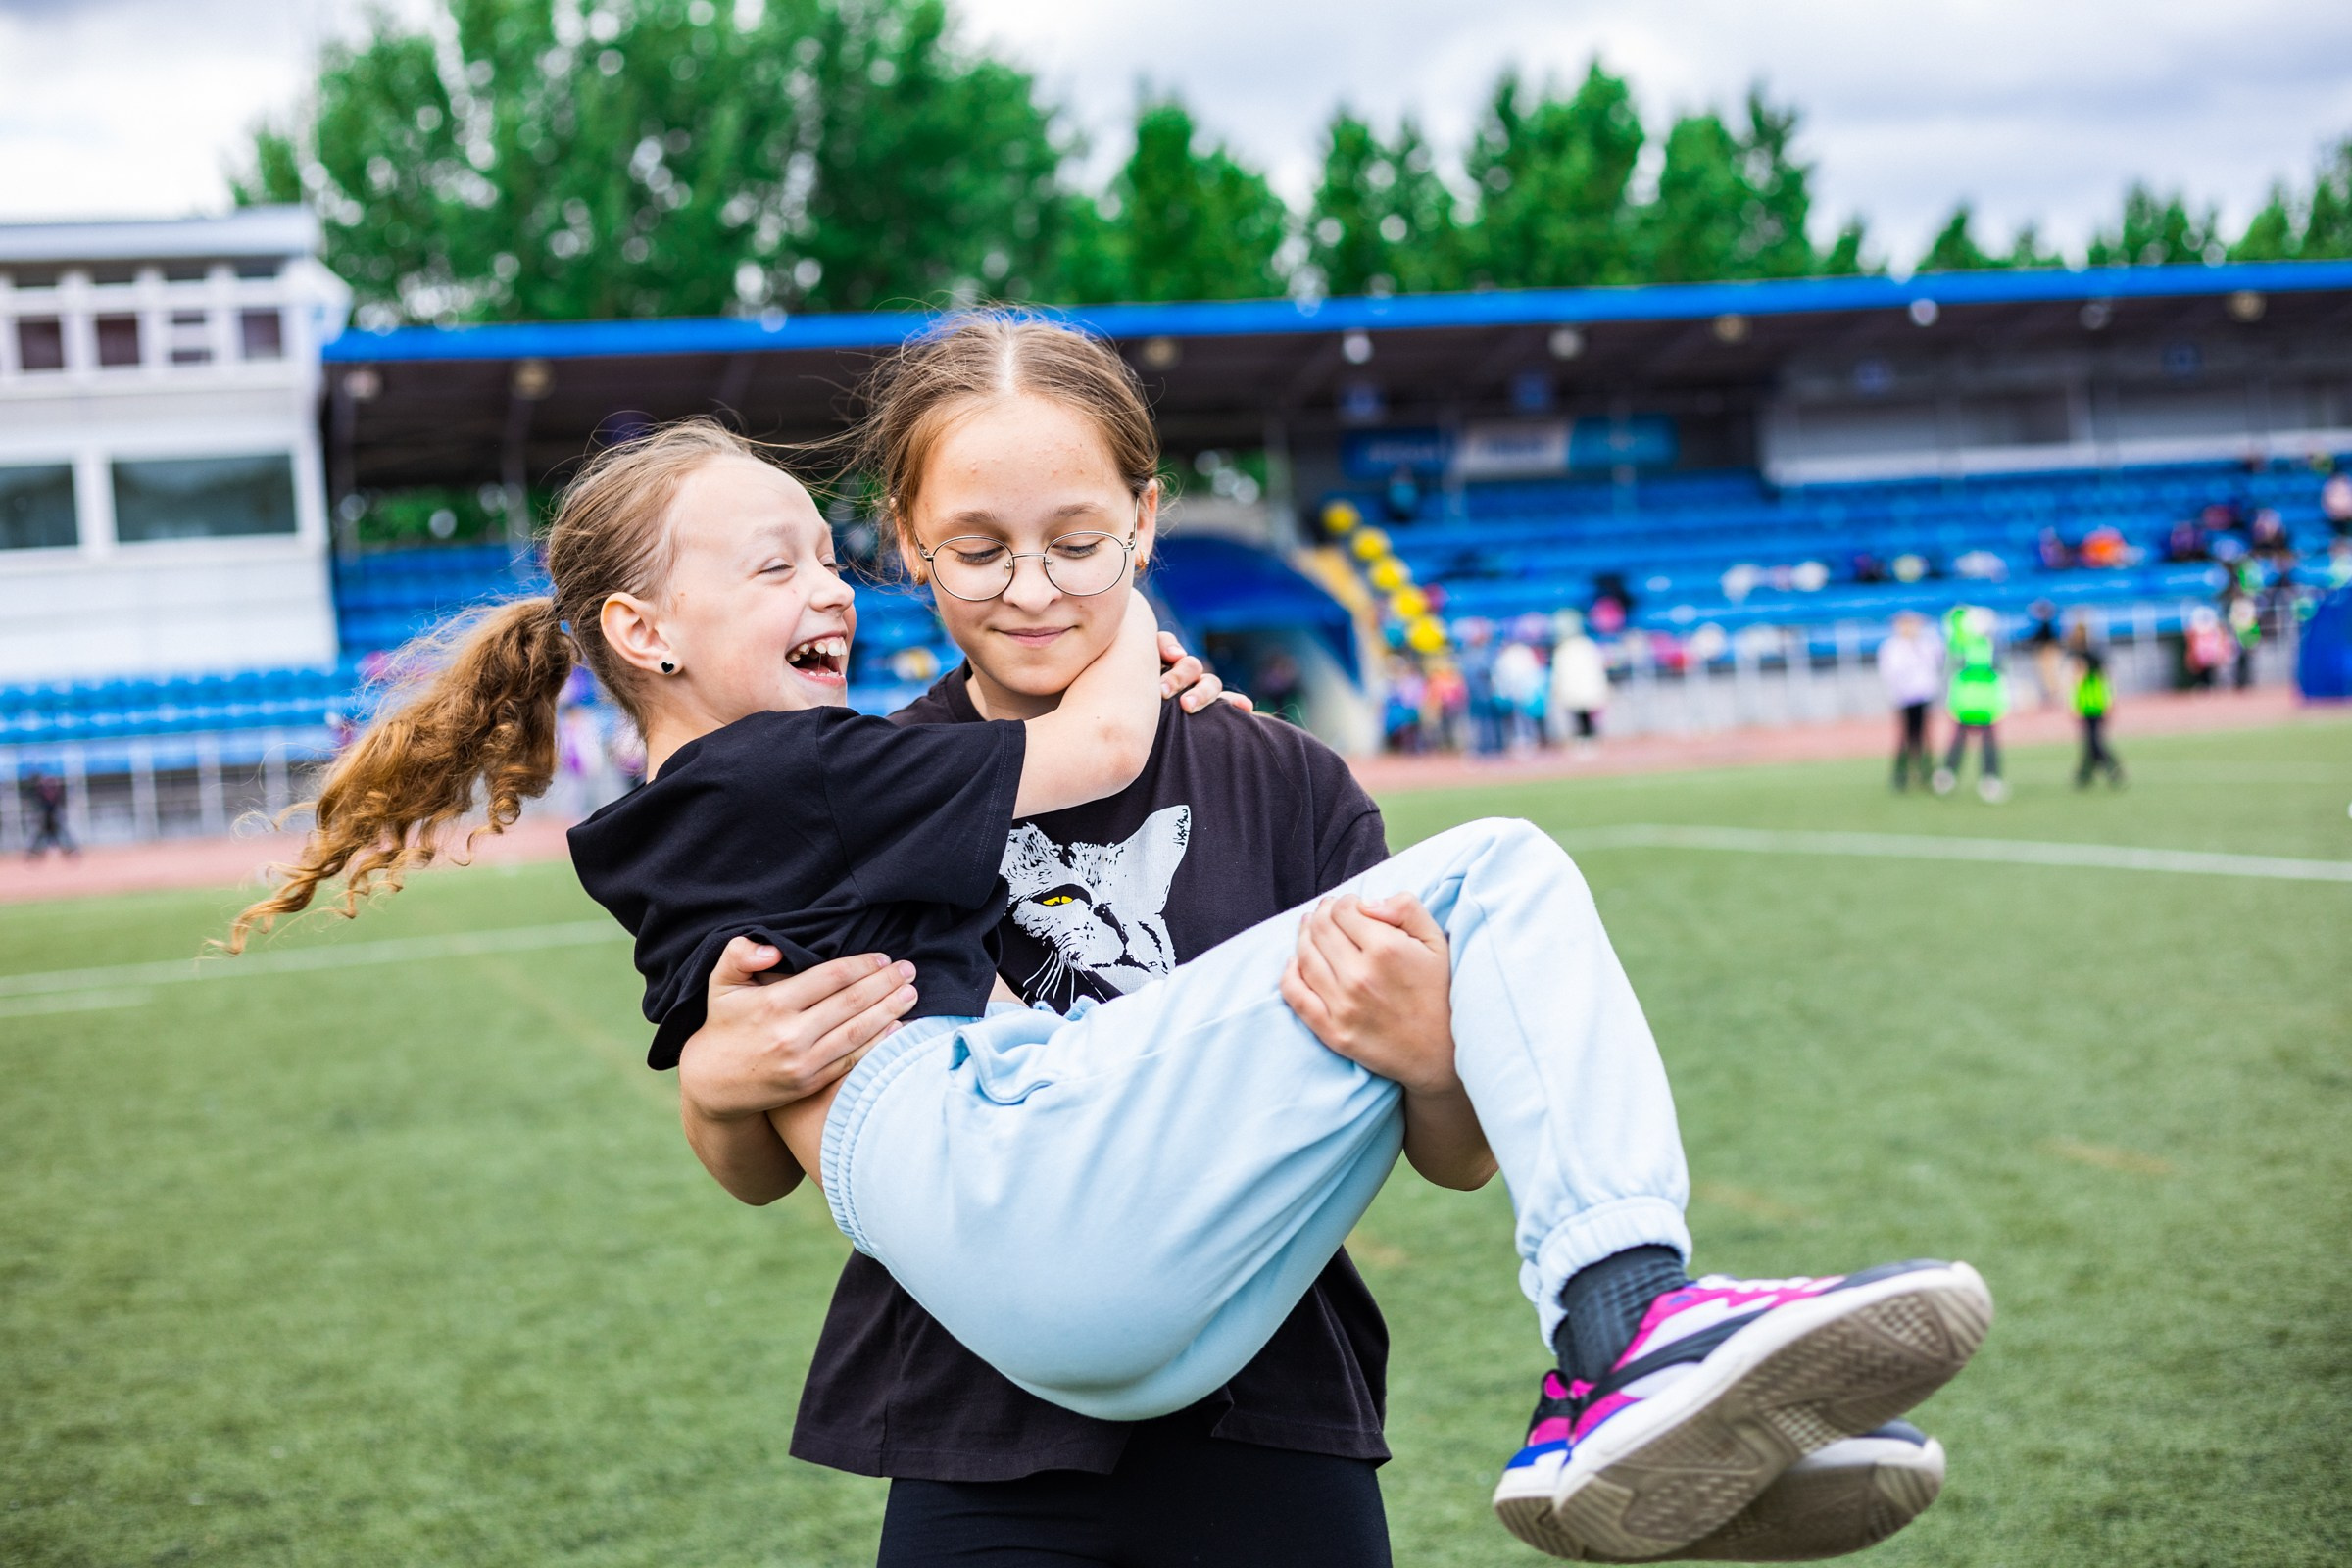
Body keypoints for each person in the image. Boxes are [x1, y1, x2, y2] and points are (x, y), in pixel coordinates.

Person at [225, 413, 1991, 1566]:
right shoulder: (813, 768)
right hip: (999, 1249)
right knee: (1509, 861)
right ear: (644, 631)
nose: (828, 579)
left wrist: (1423, 1054)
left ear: (1139, 516)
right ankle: (1621, 1336)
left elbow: (1433, 1137)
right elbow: (1084, 746)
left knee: (1463, 924)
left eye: (826, 551)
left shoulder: (762, 800)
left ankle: (1650, 1420)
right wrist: (1137, 632)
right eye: (783, 562)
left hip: (1204, 1328)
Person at [1932, 606, 2009, 803]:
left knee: (1987, 744)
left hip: (1985, 704)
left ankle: (1990, 777)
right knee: (1959, 742)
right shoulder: (1961, 647)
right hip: (1967, 703)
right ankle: (1948, 775)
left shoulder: (1992, 648)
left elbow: (2001, 675)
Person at [1878, 612, 1942, 791]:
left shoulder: (1925, 644)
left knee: (1925, 737)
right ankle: (1901, 776)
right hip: (1904, 697)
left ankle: (1926, 773)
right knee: (1905, 737)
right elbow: (1890, 672)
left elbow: (1935, 664)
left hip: (1923, 695)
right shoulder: (1892, 647)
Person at [1547, 609, 1609, 749]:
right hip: (1574, 689)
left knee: (1587, 715)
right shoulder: (1566, 648)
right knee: (1577, 716)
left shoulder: (1584, 645)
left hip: (1583, 688)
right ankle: (1582, 739)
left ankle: (1590, 739)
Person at [2071, 639, 2125, 789]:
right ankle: (2085, 773)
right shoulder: (2084, 679)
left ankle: (2111, 768)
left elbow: (2106, 693)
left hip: (2097, 710)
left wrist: (2108, 705)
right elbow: (2076, 694)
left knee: (2094, 741)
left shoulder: (2096, 679)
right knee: (2091, 742)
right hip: (2086, 711)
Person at [21, 769, 74, 858]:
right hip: (45, 819)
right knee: (39, 836)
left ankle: (69, 851)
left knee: (61, 835)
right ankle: (33, 852)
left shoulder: (54, 792)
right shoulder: (39, 793)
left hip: (53, 818)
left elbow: (59, 802)